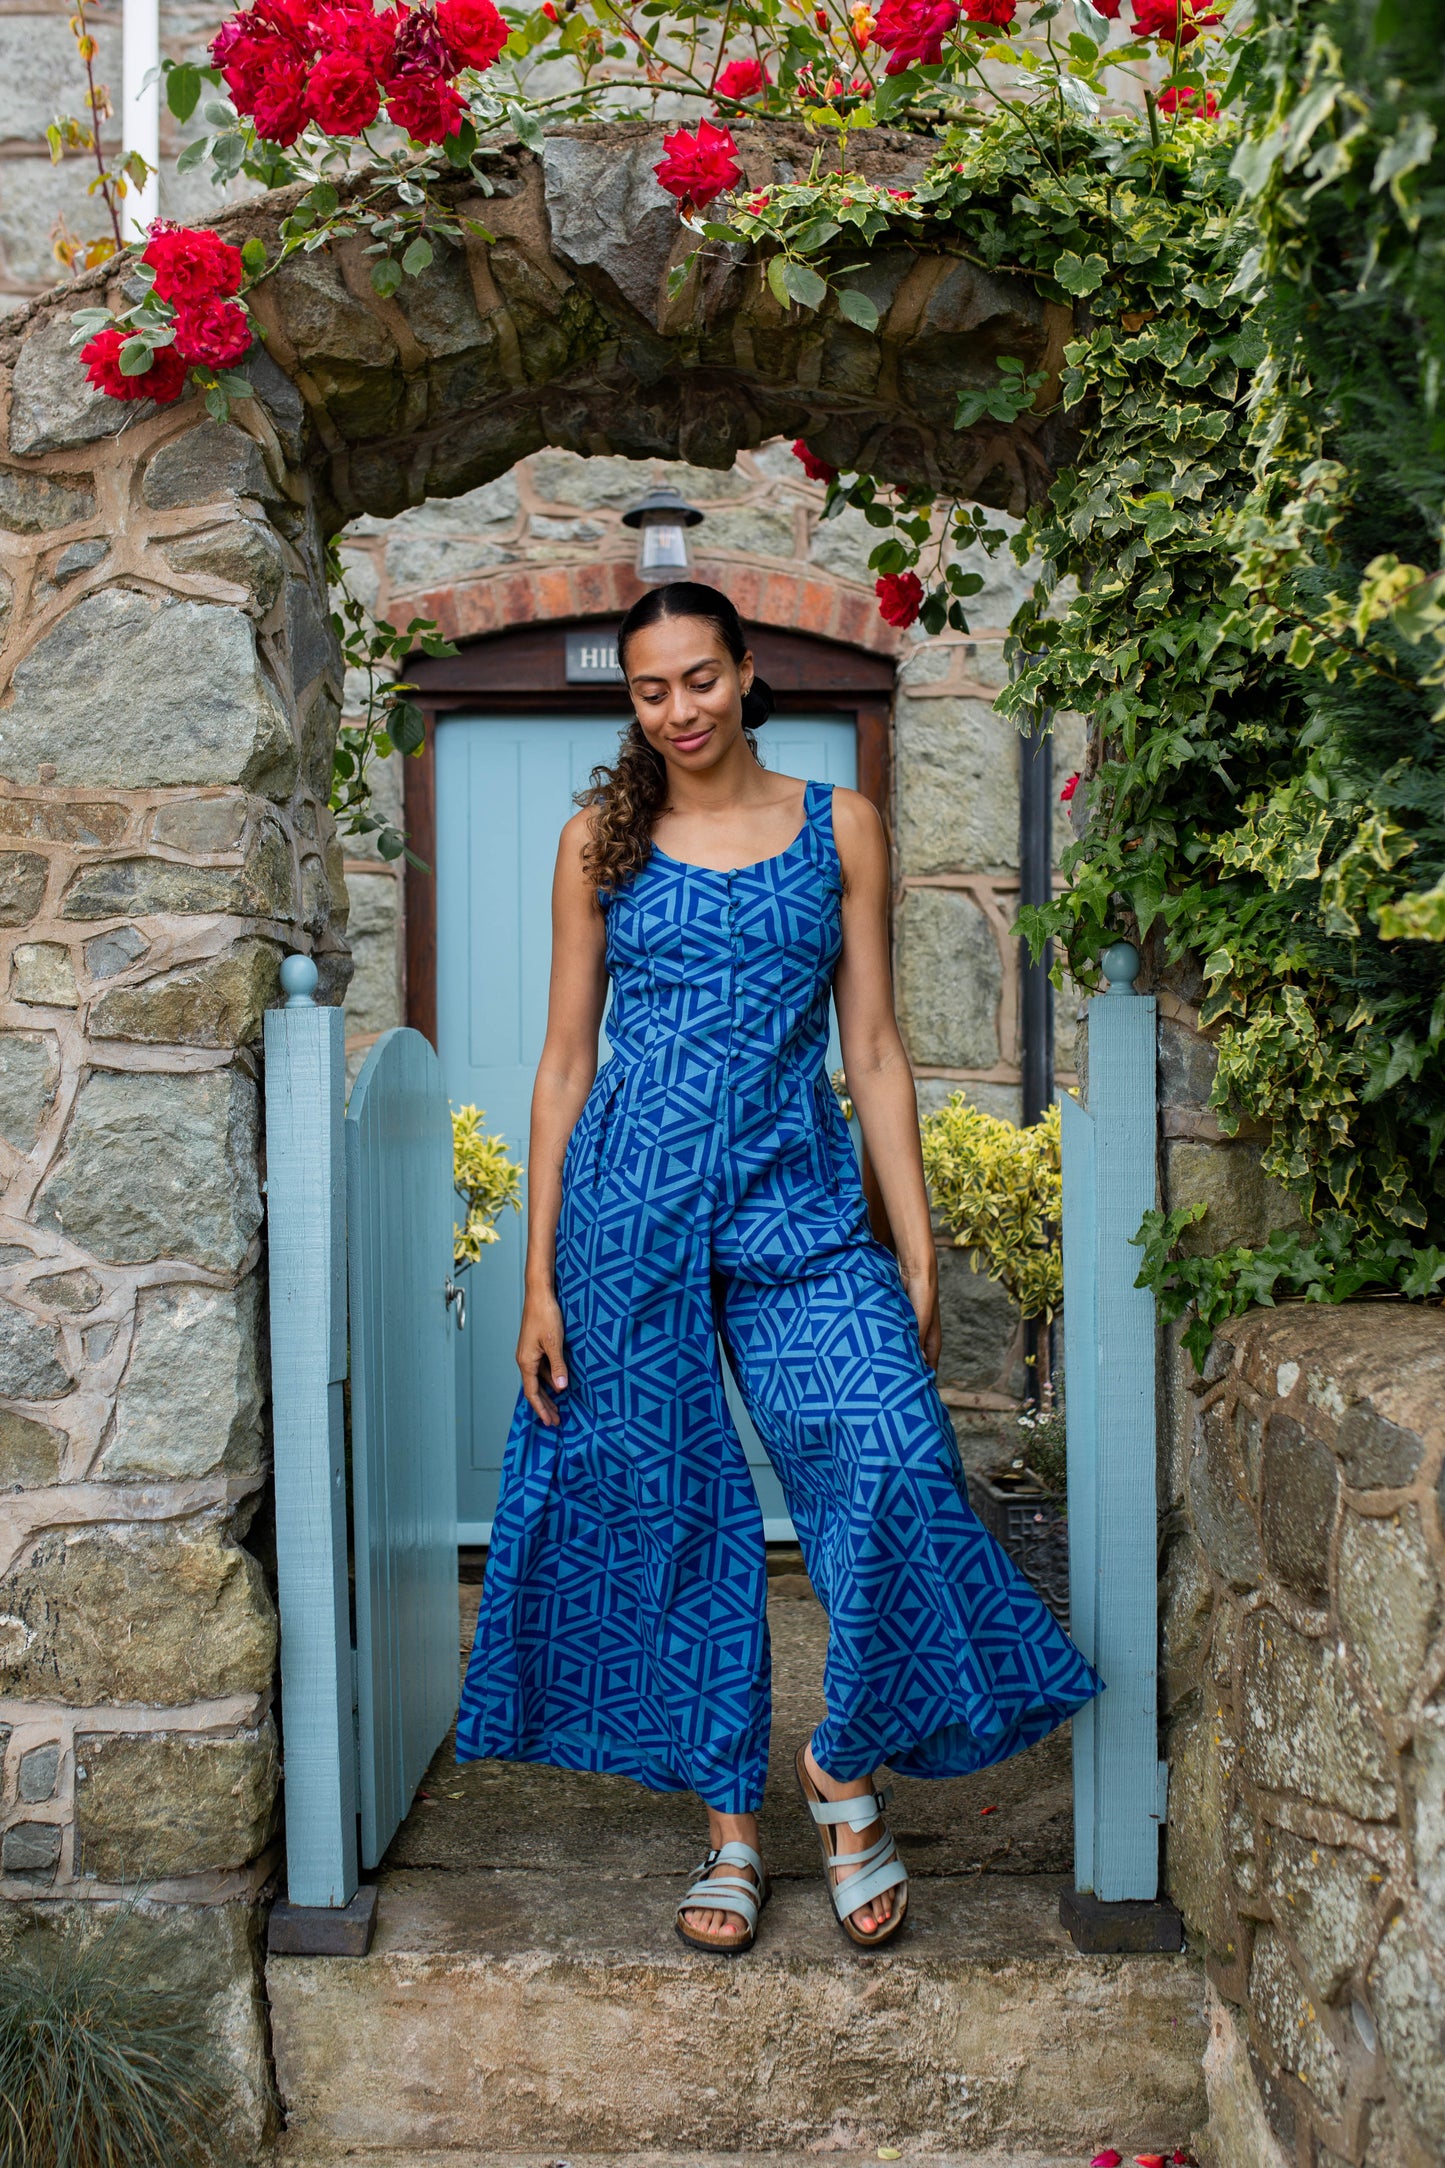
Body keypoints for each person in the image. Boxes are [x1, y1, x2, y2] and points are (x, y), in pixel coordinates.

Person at [457, 580, 1100, 1952]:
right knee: (679, 1518)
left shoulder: (837, 826)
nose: (677, 710)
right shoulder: (598, 845)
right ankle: (729, 1836)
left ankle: (842, 1764)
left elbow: (871, 1047)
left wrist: (912, 1250)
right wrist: (538, 1278)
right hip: (628, 1224)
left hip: (798, 1214)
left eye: (698, 678)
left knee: (888, 1464)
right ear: (628, 701)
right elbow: (565, 1064)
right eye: (648, 689)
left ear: (746, 673)